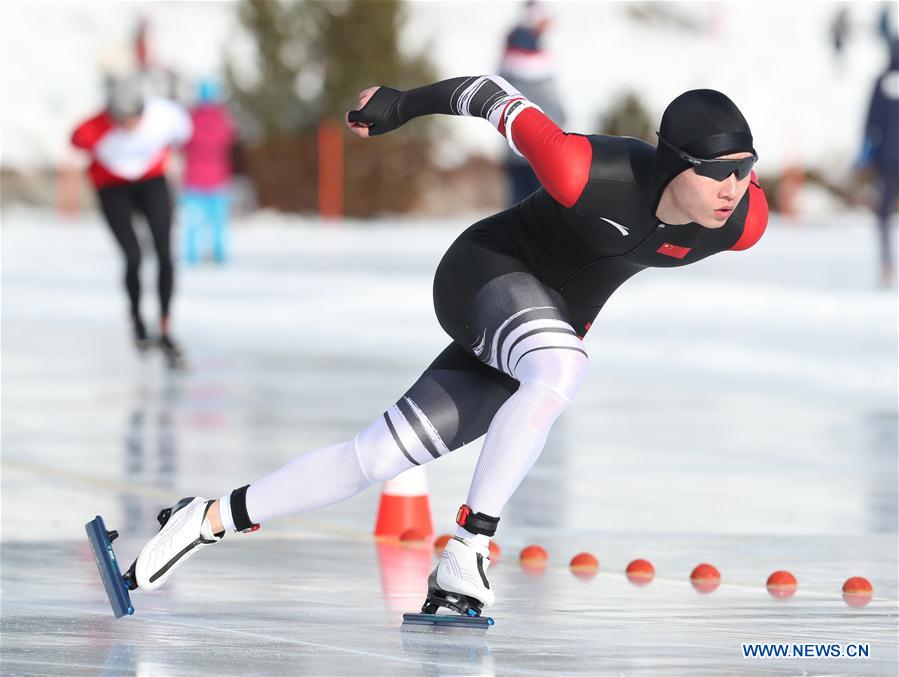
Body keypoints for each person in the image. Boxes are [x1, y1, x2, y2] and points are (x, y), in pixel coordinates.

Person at [122, 75, 768, 617]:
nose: (732, 189)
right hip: (483, 275)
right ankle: (471, 546)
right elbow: (492, 95)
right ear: (671, 162)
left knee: (376, 457)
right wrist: (401, 104)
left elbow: (738, 201)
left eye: (744, 171)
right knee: (561, 364)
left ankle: (206, 517)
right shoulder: (585, 170)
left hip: (538, 330)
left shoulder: (741, 223)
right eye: (716, 173)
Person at [71, 76, 193, 367]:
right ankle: (138, 322)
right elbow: (76, 140)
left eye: (132, 119)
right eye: (121, 120)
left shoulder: (163, 116)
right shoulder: (97, 127)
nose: (127, 126)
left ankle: (165, 326)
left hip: (151, 182)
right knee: (134, 255)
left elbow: (183, 133)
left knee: (165, 251)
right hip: (112, 187)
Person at [498, 1, 566, 206]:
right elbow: (553, 110)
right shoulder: (534, 68)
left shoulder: (511, 61)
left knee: (519, 209)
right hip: (538, 153)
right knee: (535, 210)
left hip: (517, 152)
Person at [182, 78, 236, 265]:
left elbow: (183, 143)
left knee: (193, 223)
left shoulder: (191, 117)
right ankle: (220, 254)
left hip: (194, 179)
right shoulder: (223, 118)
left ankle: (192, 256)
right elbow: (229, 141)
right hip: (217, 179)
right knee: (219, 223)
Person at [860, 39, 899, 287]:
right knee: (883, 215)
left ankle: (886, 264)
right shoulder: (881, 82)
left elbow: (869, 123)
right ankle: (886, 265)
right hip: (886, 158)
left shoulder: (881, 82)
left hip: (885, 158)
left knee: (884, 215)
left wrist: (866, 154)